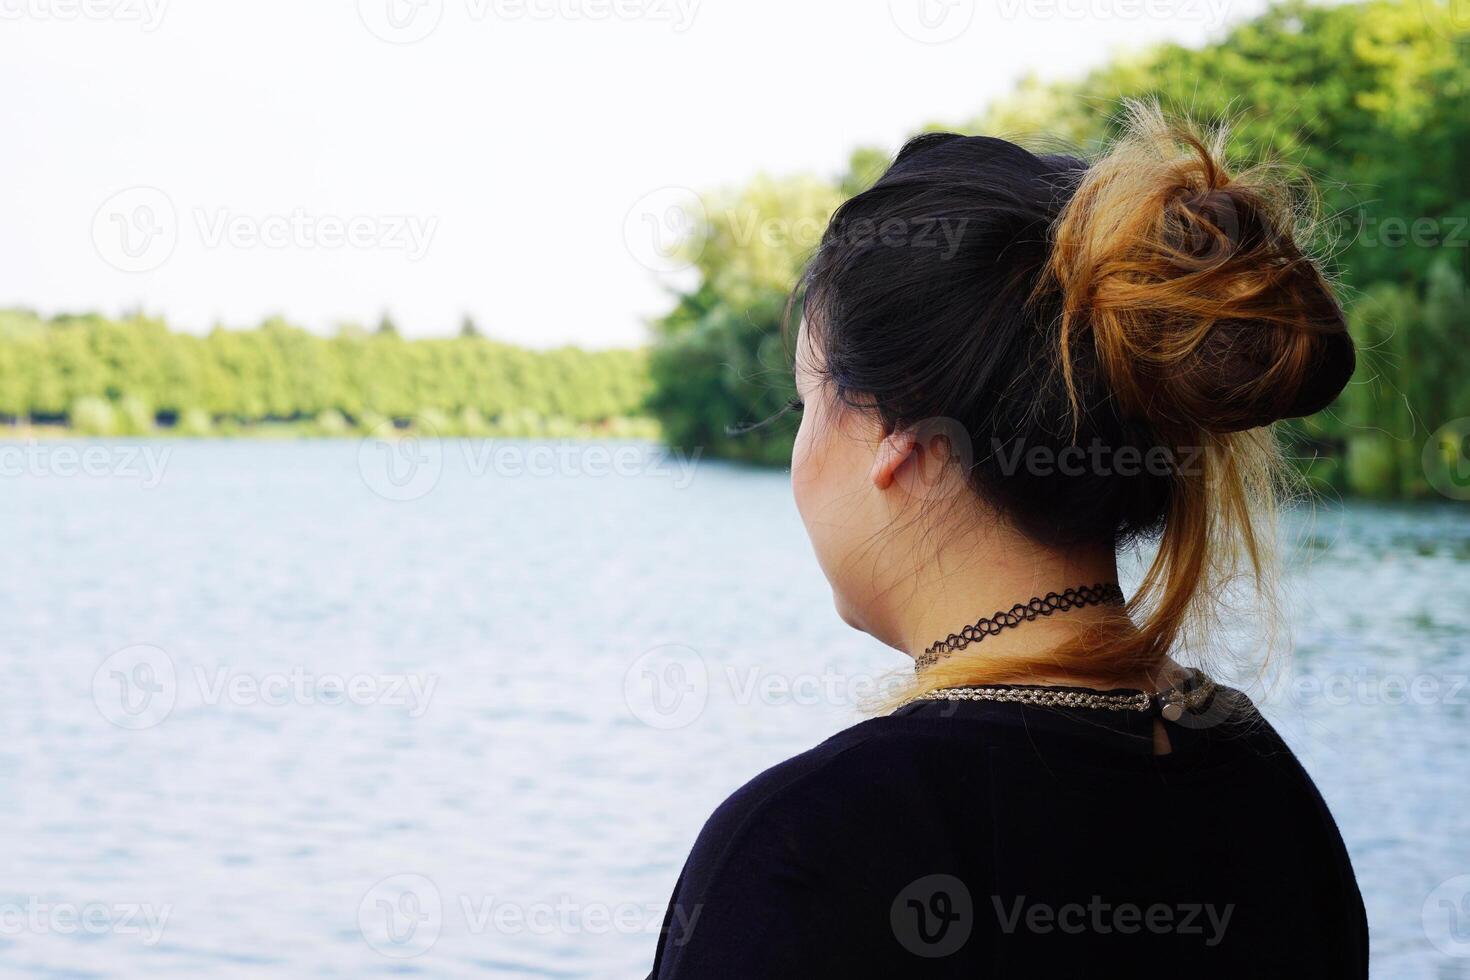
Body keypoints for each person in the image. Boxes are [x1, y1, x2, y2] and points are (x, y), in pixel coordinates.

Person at [648, 103, 1367, 978]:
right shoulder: (1268, 794)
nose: (802, 453)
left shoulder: (811, 846)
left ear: (903, 444)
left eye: (808, 406)